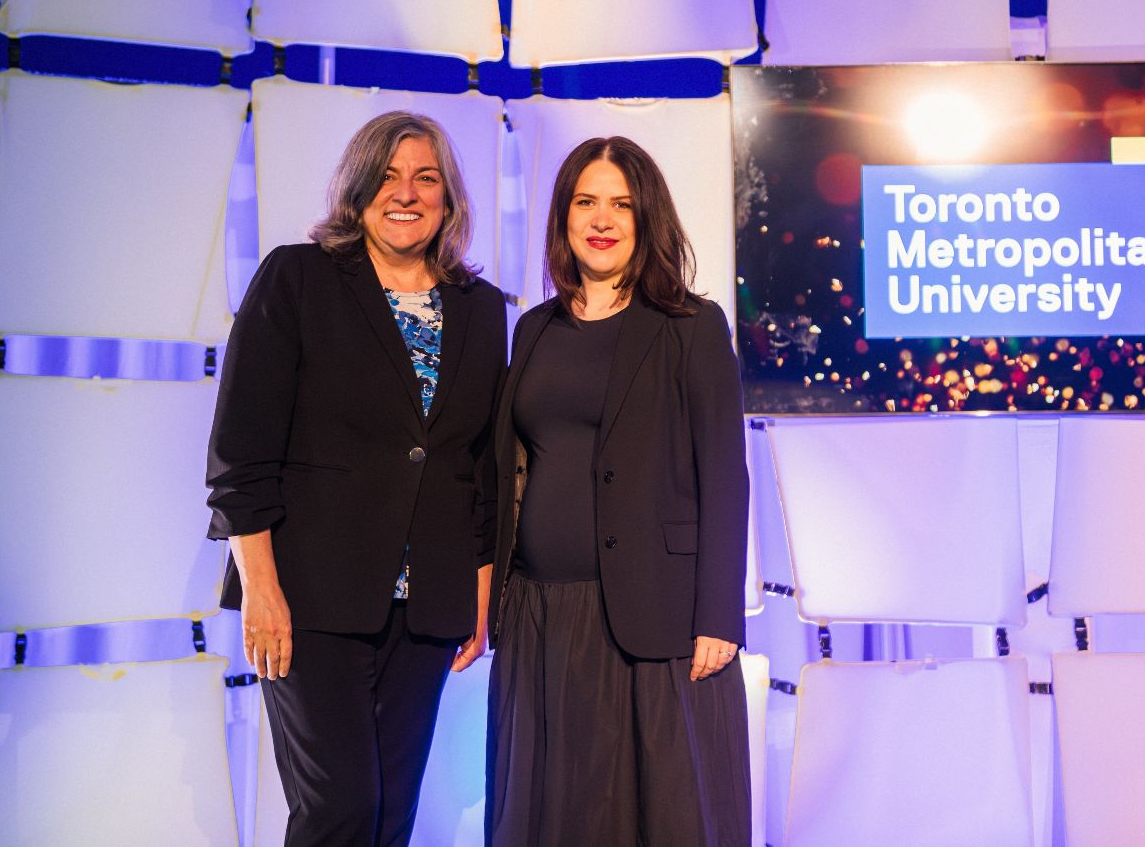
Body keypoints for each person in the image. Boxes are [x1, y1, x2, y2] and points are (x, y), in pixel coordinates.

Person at [206, 111, 506, 846]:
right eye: (387, 176)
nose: (405, 194)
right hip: (308, 598)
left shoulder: (479, 308)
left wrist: (481, 589)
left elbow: (479, 466)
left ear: (448, 196)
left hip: (427, 606)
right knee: (340, 809)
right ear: (357, 188)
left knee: (390, 816)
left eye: (425, 178)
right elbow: (242, 453)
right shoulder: (298, 278)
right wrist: (261, 590)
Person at [486, 136, 752, 845]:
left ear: (647, 217)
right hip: (540, 617)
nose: (601, 220)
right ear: (563, 217)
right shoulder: (533, 329)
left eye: (621, 205)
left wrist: (719, 615)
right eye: (586, 202)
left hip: (657, 615)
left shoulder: (691, 325)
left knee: (662, 816)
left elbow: (725, 474)